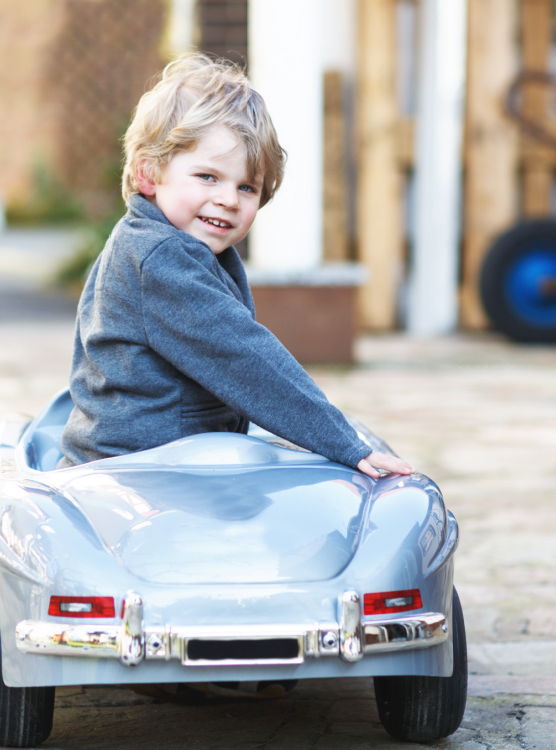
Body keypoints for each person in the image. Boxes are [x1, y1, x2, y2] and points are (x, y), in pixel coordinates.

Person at [59, 53, 411, 480]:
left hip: (154, 457)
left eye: (247, 187)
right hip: (143, 471)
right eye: (208, 177)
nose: (229, 198)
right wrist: (342, 444)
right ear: (149, 174)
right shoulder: (159, 259)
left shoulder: (154, 241)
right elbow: (244, 357)